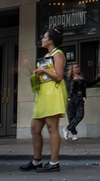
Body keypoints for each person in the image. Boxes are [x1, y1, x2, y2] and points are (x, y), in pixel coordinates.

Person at [21, 27, 66, 172]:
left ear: (51, 40)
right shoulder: (47, 55)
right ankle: (37, 160)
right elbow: (38, 76)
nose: (42, 39)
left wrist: (43, 70)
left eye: (44, 37)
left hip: (53, 93)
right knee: (35, 128)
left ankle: (54, 163)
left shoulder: (58, 54)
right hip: (43, 94)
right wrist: (29, 65)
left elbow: (59, 76)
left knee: (52, 127)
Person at [65, 62, 86, 141]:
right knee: (71, 117)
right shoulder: (69, 79)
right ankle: (74, 134)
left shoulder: (81, 78)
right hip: (71, 100)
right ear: (72, 70)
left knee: (80, 115)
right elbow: (68, 88)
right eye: (76, 67)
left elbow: (87, 84)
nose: (78, 68)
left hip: (79, 99)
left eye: (78, 67)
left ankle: (67, 129)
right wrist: (74, 81)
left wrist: (98, 80)